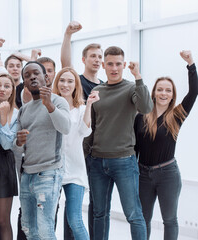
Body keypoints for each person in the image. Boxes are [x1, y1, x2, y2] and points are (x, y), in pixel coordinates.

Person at [88, 46, 153, 240]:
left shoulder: (132, 88)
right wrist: (87, 156)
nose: (114, 68)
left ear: (124, 65)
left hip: (124, 161)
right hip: (97, 161)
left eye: (118, 64)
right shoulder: (96, 90)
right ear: (103, 65)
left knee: (133, 214)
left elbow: (146, 107)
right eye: (110, 64)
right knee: (99, 214)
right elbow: (90, 126)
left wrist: (138, 76)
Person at [135, 51, 198, 240]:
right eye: (160, 89)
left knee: (169, 220)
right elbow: (135, 148)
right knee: (143, 219)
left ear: (172, 95)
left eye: (168, 90)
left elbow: (194, 91)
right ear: (153, 92)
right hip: (143, 175)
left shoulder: (177, 115)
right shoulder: (140, 116)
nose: (164, 93)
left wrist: (191, 64)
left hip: (168, 174)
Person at [14, 61, 71, 239]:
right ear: (24, 83)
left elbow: (66, 128)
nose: (32, 77)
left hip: (49, 172)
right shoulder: (23, 110)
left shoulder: (58, 101)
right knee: (28, 228)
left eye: (36, 73)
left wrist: (49, 106)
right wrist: (18, 142)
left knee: (46, 228)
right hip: (27, 175)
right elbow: (16, 146)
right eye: (27, 75)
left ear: (46, 78)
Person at [60, 21, 104, 240]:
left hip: (92, 155)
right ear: (84, 59)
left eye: (100, 56)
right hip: (72, 155)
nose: (97, 59)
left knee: (88, 211)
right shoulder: (77, 82)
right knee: (69, 216)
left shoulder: (104, 86)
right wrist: (68, 35)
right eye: (93, 56)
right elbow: (66, 64)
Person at [52, 67, 100, 240]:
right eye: (62, 80)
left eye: (70, 81)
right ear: (56, 83)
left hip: (75, 172)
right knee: (49, 221)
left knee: (75, 220)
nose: (65, 84)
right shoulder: (50, 107)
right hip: (52, 171)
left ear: (76, 85)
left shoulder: (80, 109)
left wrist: (88, 106)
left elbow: (85, 132)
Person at [0, 73, 19, 240]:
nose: (2, 89)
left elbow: (7, 144)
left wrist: (3, 118)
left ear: (12, 90)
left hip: (4, 162)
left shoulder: (16, 114)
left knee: (2, 220)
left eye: (6, 86)